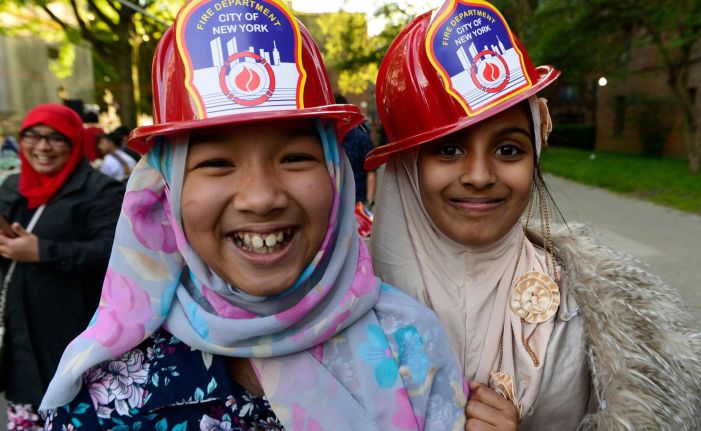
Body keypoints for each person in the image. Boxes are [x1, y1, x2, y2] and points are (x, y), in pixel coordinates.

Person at [40, 2, 466, 430]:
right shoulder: (106, 394)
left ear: (337, 175)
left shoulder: (410, 340)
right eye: (217, 163)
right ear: (166, 191)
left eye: (296, 157)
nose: (261, 198)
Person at [367, 1, 701, 430]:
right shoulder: (342, 307)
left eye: (509, 149)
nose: (480, 175)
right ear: (406, 165)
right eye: (449, 148)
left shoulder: (586, 308)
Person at [0, 104, 123, 430]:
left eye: (56, 138)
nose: (42, 147)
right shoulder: (12, 186)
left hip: (76, 332)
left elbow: (116, 250)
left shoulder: (100, 190)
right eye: (33, 136)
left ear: (73, 142)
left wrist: (44, 251)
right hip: (19, 334)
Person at [334, 94, 377, 206]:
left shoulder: (360, 138)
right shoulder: (327, 141)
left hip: (357, 203)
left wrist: (368, 202)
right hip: (334, 204)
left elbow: (371, 171)